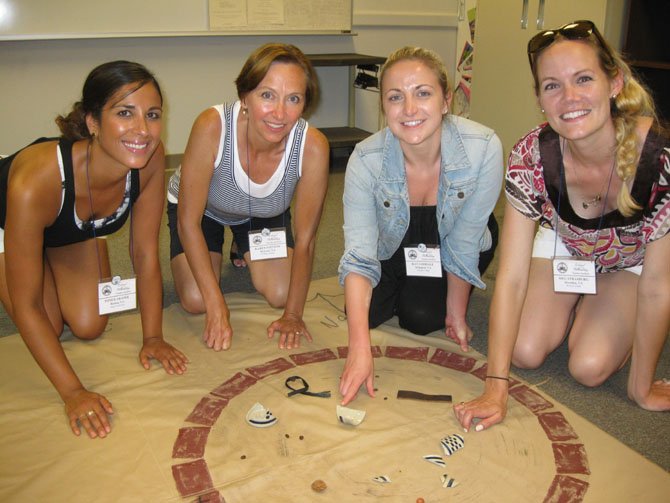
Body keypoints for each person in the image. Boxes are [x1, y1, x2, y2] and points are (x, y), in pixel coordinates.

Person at [455, 20, 670, 433]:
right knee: (523, 350)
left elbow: (659, 285)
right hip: (567, 246)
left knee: (588, 366)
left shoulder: (658, 159)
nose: (569, 98)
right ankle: (577, 304)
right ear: (539, 98)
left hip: (631, 260)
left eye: (584, 79)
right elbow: (512, 277)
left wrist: (641, 388)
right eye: (552, 85)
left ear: (614, 83)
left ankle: (599, 311)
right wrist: (495, 387)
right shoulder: (531, 155)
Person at [0, 61, 188, 439]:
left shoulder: (150, 158)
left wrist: (152, 336)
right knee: (46, 324)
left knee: (88, 324)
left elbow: (145, 253)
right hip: (10, 224)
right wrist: (73, 392)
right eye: (124, 113)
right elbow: (27, 306)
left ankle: (57, 260)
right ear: (92, 122)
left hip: (70, 231)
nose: (142, 131)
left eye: (152, 115)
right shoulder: (36, 178)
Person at [338, 47, 503, 406]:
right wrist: (358, 348)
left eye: (423, 93)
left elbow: (464, 240)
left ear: (446, 100)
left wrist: (456, 315)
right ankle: (408, 286)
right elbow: (360, 252)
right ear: (384, 107)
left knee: (422, 317)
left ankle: (441, 293)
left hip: (454, 235)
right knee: (363, 315)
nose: (409, 109)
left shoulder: (484, 147)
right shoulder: (365, 159)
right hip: (393, 237)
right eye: (396, 97)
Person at [168, 43, 329, 352]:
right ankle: (231, 247)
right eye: (267, 95)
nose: (280, 113)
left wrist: (293, 315)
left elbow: (306, 238)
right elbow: (187, 222)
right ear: (244, 97)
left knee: (282, 294)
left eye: (293, 99)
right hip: (205, 211)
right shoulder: (211, 126)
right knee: (196, 299)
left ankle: (240, 245)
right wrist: (218, 308)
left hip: (262, 212)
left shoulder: (313, 147)